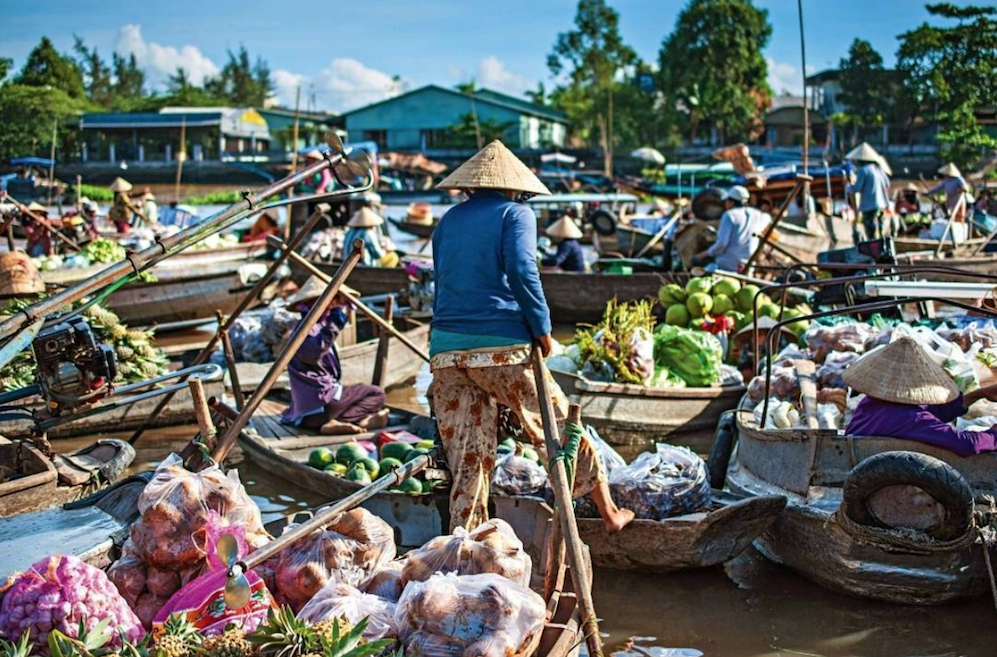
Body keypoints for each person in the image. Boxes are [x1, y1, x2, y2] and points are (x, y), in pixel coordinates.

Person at [430, 140, 634, 533]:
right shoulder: (516, 213)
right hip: (502, 348)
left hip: (445, 352)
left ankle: (466, 541)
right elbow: (524, 271)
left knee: (468, 454)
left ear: (470, 187)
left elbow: (443, 283)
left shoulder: (448, 221)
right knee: (556, 427)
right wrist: (542, 329)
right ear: (515, 187)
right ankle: (609, 512)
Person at [845, 336, 997, 457]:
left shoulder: (871, 402)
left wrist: (979, 394)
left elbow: (933, 412)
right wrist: (994, 434)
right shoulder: (911, 419)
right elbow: (967, 444)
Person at [280, 276, 389, 435]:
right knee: (377, 393)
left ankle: (338, 421)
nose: (337, 305)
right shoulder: (306, 329)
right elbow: (312, 353)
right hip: (321, 405)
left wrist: (333, 321)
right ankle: (347, 420)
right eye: (335, 301)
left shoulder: (316, 326)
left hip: (311, 414)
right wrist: (335, 321)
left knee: (357, 392)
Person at [693, 185, 769, 273]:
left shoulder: (729, 215)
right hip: (748, 264)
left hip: (727, 263)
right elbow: (767, 218)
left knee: (698, 264)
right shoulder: (756, 214)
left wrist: (704, 254)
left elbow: (722, 244)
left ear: (731, 202)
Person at [845, 142, 891, 240]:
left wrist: (848, 186)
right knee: (880, 229)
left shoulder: (863, 170)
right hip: (882, 204)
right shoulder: (879, 170)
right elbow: (887, 184)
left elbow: (856, 188)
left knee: (871, 232)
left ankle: (873, 249)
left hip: (869, 205)